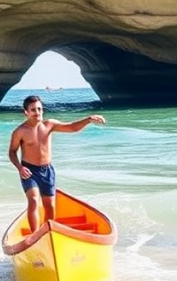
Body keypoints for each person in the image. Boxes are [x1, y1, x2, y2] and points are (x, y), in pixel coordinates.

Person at [8, 94, 106, 233]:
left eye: (39, 109)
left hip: (47, 170)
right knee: (34, 200)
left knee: (50, 206)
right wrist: (20, 168)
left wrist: (88, 119)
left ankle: (48, 233)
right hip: (29, 171)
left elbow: (72, 127)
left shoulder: (49, 125)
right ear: (26, 112)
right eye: (33, 110)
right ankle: (35, 235)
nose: (37, 112)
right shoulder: (20, 131)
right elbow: (12, 152)